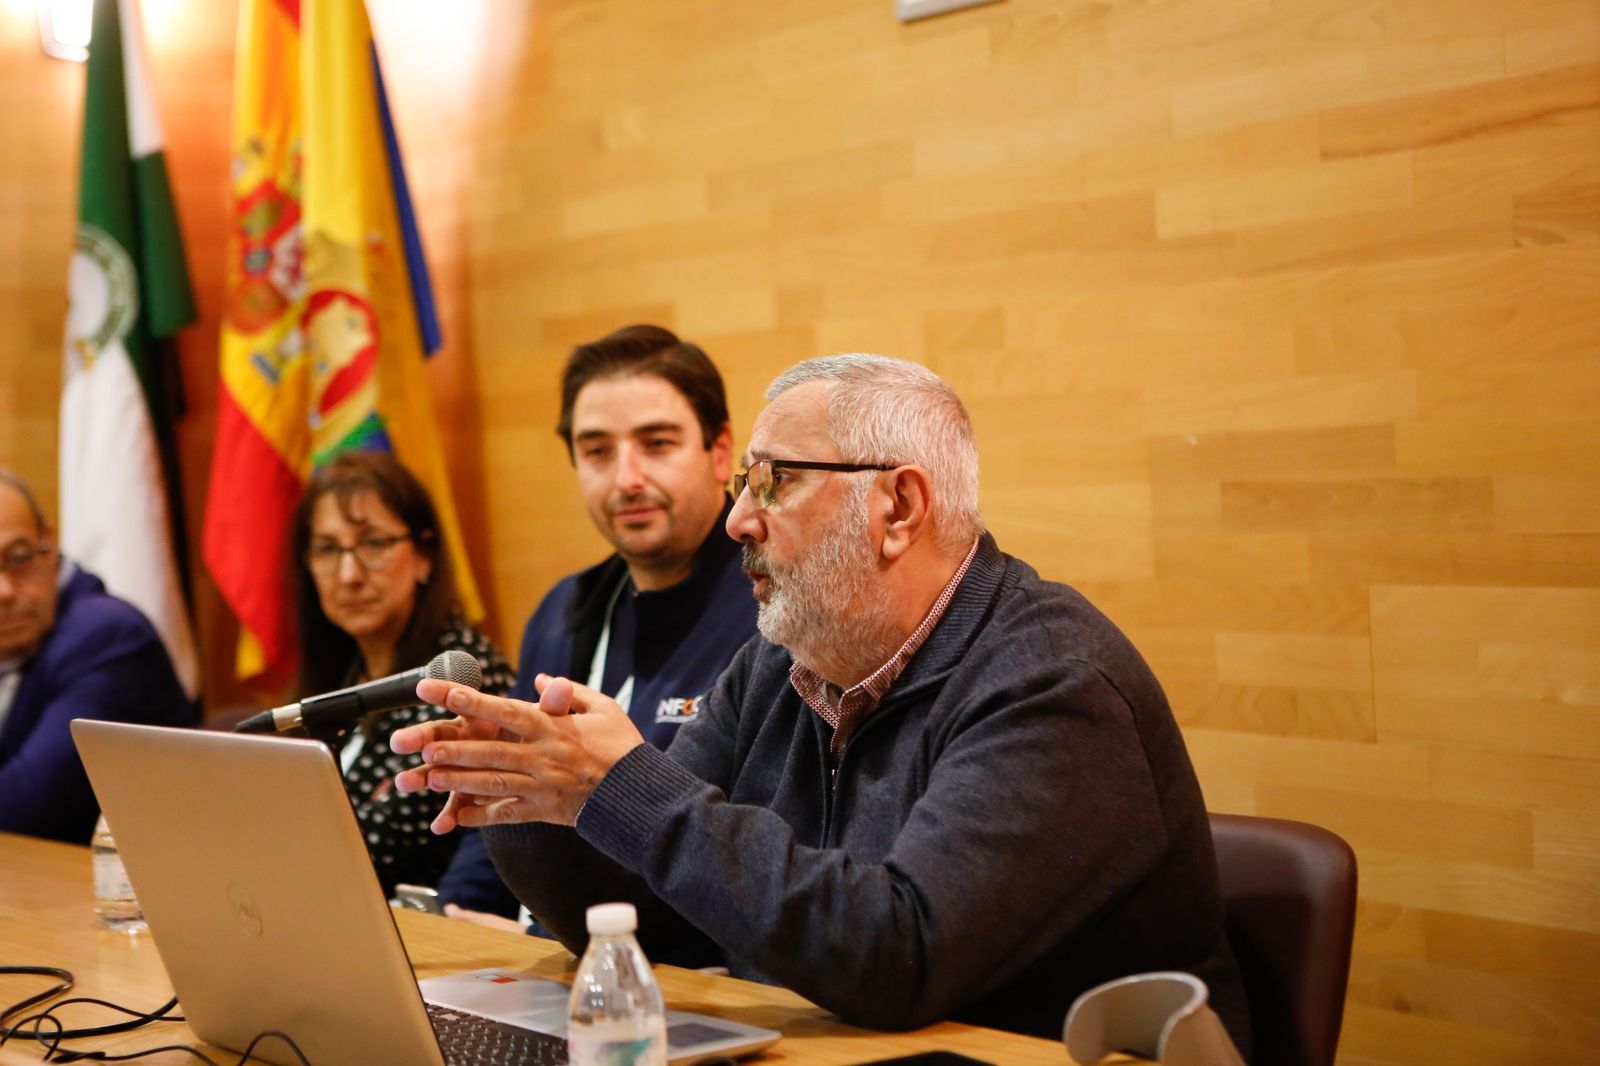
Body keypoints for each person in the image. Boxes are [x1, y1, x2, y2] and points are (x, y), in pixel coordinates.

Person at [391, 356, 1251, 1055]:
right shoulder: (779, 664)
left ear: (899, 507)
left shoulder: (1052, 681)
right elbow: (652, 918)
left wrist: (627, 788)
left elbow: (900, 954)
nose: (737, 519)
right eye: (744, 483)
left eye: (773, 481)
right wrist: (534, 790)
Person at [434, 324, 759, 926]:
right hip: (555, 945)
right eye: (598, 452)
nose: (627, 479)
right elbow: (507, 790)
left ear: (720, 453)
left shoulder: (776, 611)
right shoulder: (563, 611)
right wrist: (457, 910)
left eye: (656, 444)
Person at [288, 450, 513, 897]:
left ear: (424, 555)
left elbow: (369, 851)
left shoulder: (461, 673)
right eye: (328, 549)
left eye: (373, 544)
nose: (348, 575)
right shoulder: (340, 670)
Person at [0, 469, 192, 843]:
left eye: (19, 558)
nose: (4, 591)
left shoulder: (108, 637)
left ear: (48, 542)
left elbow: (22, 810)